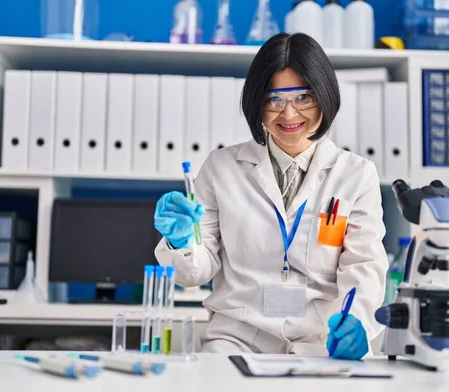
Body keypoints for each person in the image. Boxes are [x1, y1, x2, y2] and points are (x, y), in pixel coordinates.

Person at [154, 33, 388, 359]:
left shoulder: (356, 175)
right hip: (237, 341)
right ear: (257, 102)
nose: (288, 114)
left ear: (325, 96)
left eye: (304, 97)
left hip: (320, 343)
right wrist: (181, 243)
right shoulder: (221, 168)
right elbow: (192, 275)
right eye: (274, 99)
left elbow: (364, 266)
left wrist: (358, 323)